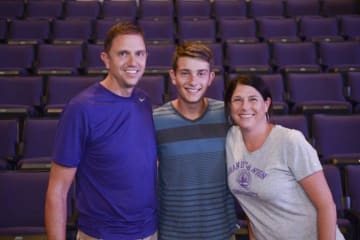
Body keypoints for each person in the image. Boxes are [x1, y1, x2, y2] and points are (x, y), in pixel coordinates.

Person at [45, 23, 158, 240]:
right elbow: (57, 191)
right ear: (106, 59)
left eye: (139, 53)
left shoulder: (145, 101)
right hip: (102, 235)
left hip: (149, 232)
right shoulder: (81, 108)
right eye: (123, 53)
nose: (133, 62)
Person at [224, 75, 345, 240]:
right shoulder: (231, 139)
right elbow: (253, 207)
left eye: (253, 99)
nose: (245, 107)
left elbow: (326, 206)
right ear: (230, 106)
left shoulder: (290, 141)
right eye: (237, 100)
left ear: (266, 104)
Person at [152, 42, 238, 240]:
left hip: (222, 233)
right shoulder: (154, 120)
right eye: (185, 73)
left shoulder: (228, 115)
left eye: (201, 73)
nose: (193, 81)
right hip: (172, 235)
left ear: (210, 78)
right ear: (173, 76)